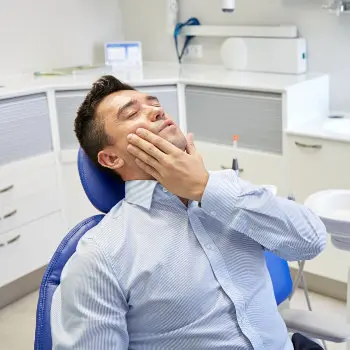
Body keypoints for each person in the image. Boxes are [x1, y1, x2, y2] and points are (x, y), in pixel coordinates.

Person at [51, 75, 327, 350]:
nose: (156, 110)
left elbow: (312, 240)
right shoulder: (102, 254)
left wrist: (205, 188)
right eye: (133, 113)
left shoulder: (228, 191)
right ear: (112, 158)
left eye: (154, 104)